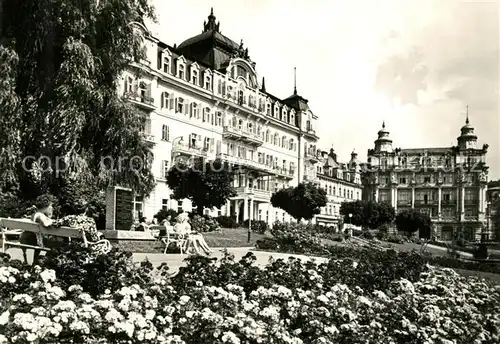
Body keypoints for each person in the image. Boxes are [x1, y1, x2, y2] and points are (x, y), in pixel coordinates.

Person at [19, 197, 55, 265]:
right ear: (46, 207)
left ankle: (34, 262)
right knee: (56, 243)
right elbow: (46, 223)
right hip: (33, 240)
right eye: (50, 206)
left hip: (26, 238)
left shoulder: (34, 214)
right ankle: (47, 263)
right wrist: (52, 222)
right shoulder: (40, 215)